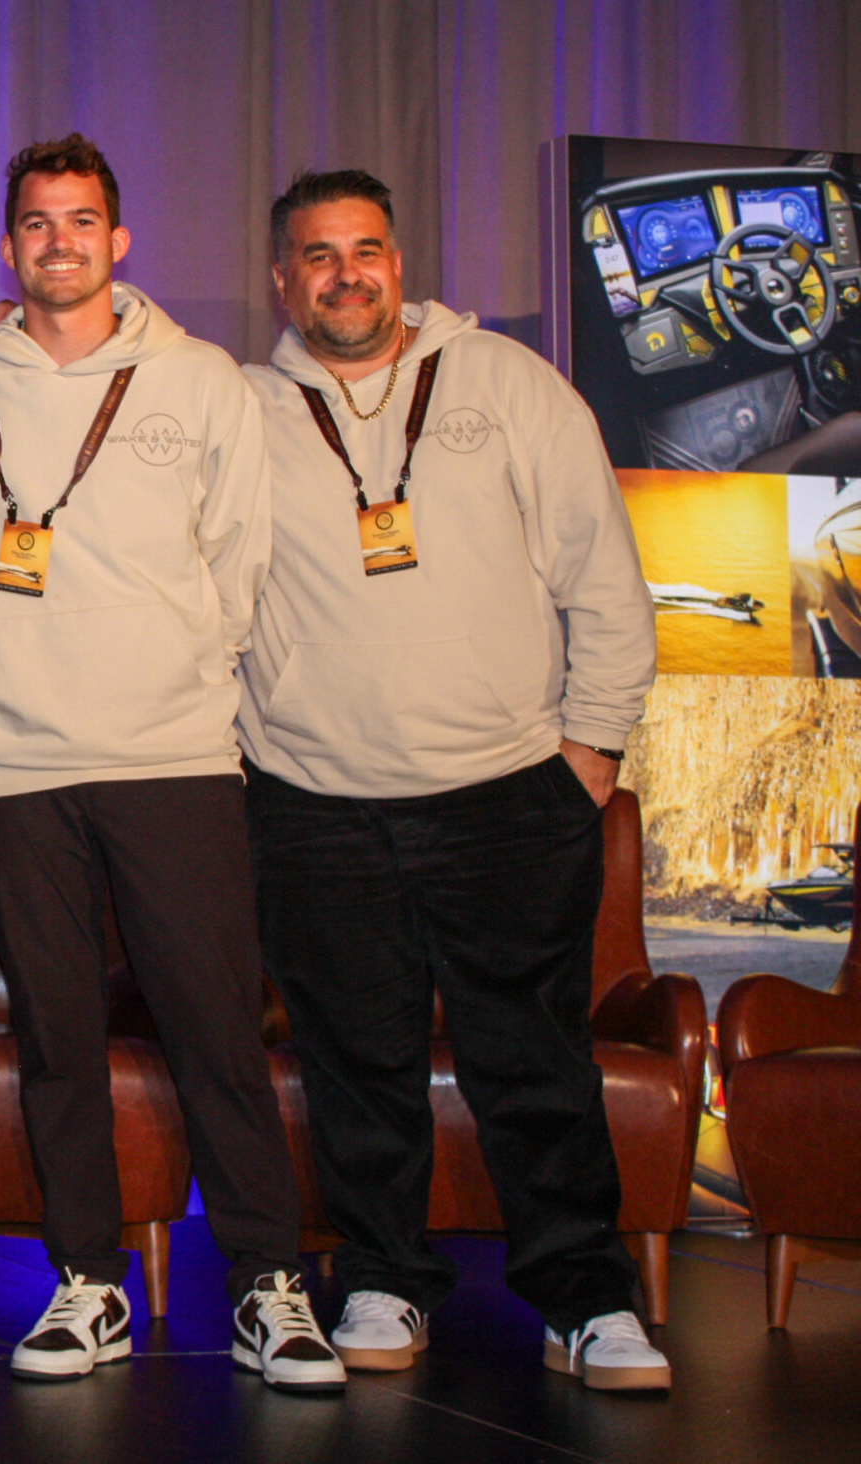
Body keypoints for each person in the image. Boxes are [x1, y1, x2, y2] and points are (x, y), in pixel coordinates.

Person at [0, 137, 342, 1391]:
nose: (59, 242)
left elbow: (242, 565)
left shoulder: (204, 381)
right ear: (9, 247)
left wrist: (183, 682)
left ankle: (268, 1287)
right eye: (36, 223)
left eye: (81, 220)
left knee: (216, 1029)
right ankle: (88, 1284)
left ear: (120, 240)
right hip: (11, 766)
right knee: (55, 1040)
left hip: (174, 759)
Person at [241, 169, 668, 1392]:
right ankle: (382, 1280)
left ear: (398, 257)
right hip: (314, 804)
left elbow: (605, 579)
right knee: (356, 1069)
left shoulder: (511, 387)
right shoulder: (241, 409)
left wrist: (589, 751)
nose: (344, 275)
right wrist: (1, 335)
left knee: (535, 1064)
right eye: (317, 257)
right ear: (284, 280)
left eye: (364, 249)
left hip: (506, 795)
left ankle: (586, 1300)